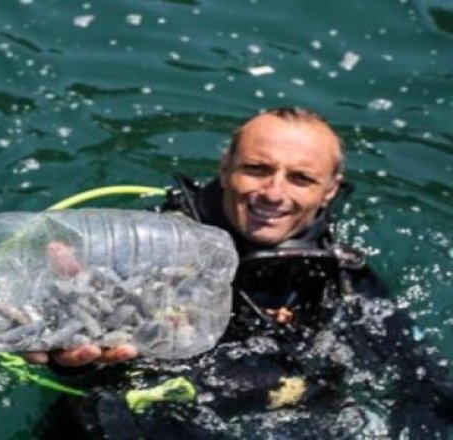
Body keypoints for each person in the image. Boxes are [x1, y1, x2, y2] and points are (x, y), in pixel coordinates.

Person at [32, 107, 453, 438]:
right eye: (257, 169)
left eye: (301, 178)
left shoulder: (342, 279)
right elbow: (68, 333)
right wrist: (73, 357)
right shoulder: (147, 248)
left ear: (330, 191)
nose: (273, 193)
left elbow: (424, 389)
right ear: (225, 166)